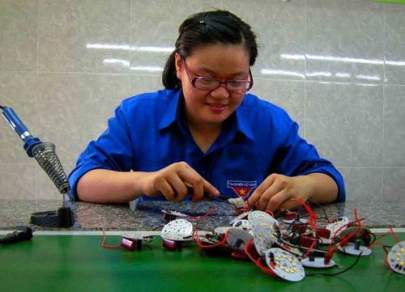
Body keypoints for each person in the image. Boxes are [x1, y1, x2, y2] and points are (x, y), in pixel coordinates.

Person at [68, 10, 345, 212]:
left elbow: (331, 182)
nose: (222, 94)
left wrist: (304, 187)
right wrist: (145, 181)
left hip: (244, 260)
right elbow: (82, 181)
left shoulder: (269, 121)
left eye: (237, 81)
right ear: (179, 65)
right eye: (207, 79)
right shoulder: (138, 114)